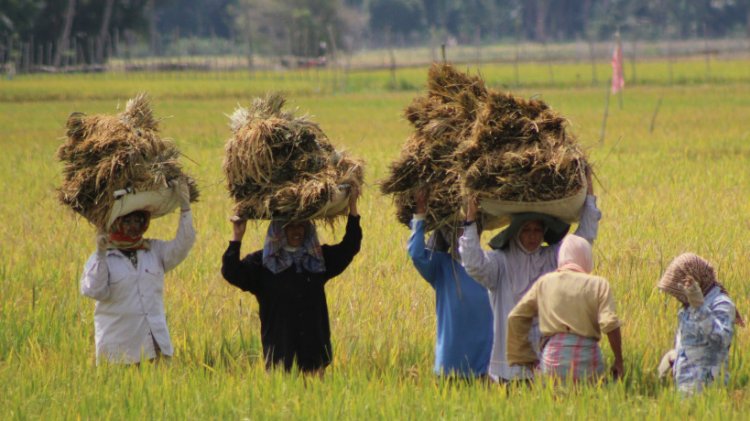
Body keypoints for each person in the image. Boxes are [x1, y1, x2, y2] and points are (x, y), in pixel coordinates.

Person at [458, 171, 601, 382]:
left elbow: (584, 238)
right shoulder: (500, 262)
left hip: (548, 362)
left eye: (537, 230)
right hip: (509, 367)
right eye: (526, 230)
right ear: (516, 232)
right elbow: (473, 264)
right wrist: (470, 221)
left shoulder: (553, 258)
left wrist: (589, 197)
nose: (533, 236)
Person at [221, 187, 362, 375]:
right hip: (279, 354)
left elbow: (350, 246)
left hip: (314, 354)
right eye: (291, 226)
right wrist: (237, 237)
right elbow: (231, 272)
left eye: (301, 225)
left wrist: (352, 207)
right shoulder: (263, 264)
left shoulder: (317, 261)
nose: (297, 231)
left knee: (317, 401)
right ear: (279, 229)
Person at [80, 180, 196, 365]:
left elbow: (182, 246)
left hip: (156, 346)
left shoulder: (153, 251)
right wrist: (101, 254)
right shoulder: (101, 258)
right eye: (128, 221)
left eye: (138, 221)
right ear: (117, 223)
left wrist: (185, 209)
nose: (134, 226)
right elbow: (95, 291)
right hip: (118, 353)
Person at [506, 234, 623, 383]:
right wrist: (619, 361)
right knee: (590, 402)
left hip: (553, 358)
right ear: (586, 257)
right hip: (588, 358)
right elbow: (610, 323)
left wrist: (525, 358)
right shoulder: (598, 284)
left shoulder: (545, 282)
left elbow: (516, 317)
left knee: (554, 403)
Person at [407, 190, 493, 379]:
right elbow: (416, 254)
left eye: (468, 230)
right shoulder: (442, 267)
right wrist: (420, 213)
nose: (462, 237)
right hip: (450, 366)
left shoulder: (490, 265)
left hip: (485, 367)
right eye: (457, 231)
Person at [656, 253, 743, 395]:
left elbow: (721, 340)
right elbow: (694, 343)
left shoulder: (721, 304)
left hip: (710, 390)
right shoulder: (688, 306)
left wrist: (700, 307)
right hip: (685, 389)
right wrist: (675, 356)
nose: (678, 298)